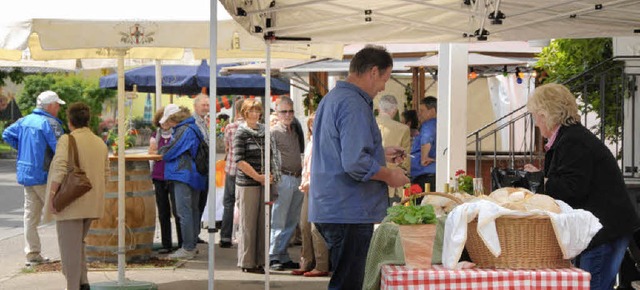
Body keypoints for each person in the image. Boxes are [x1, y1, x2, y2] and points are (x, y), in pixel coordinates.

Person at [309, 45, 410, 290]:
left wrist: (379, 153)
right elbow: (354, 163)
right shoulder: (353, 103)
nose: (383, 87)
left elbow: (340, 150)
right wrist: (390, 176)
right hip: (348, 209)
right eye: (385, 79)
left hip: (335, 206)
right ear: (373, 72)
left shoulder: (335, 98)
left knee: (346, 280)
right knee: (348, 284)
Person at [524, 83, 640, 289]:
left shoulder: (572, 141)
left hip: (603, 231)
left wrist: (541, 180)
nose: (535, 123)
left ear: (546, 114)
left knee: (591, 286)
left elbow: (572, 188)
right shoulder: (570, 137)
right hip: (602, 229)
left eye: (535, 116)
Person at [43, 102, 109, 290]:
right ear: (88, 119)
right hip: (92, 203)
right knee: (78, 245)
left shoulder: (67, 139)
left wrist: (53, 196)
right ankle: (83, 283)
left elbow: (60, 168)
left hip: (70, 202)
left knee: (69, 250)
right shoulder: (99, 141)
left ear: (69, 120)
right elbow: (106, 174)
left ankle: (73, 286)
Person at [2, 90, 65, 266]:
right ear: (51, 106)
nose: (59, 108)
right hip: (44, 175)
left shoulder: (25, 120)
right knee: (62, 213)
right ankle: (68, 252)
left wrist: (22, 148)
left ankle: (32, 254)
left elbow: (6, 134)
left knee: (30, 216)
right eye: (58, 104)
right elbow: (60, 150)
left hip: (26, 173)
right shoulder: (50, 123)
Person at [233, 99, 281, 274]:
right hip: (248, 184)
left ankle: (261, 260)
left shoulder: (265, 131)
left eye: (257, 111)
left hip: (265, 182)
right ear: (245, 113)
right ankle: (247, 261)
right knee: (248, 224)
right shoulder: (241, 133)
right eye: (250, 111)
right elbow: (239, 160)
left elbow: (272, 155)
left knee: (263, 223)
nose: (254, 114)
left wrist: (270, 175)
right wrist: (258, 176)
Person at [158, 104, 207, 259]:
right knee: (192, 211)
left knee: (184, 212)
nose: (168, 124)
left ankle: (187, 247)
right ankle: (191, 245)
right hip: (195, 175)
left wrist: (161, 151)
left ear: (175, 118)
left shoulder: (184, 130)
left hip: (183, 174)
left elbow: (169, 152)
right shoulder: (193, 127)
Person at [291, 113, 329, 277]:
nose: (313, 126)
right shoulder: (311, 141)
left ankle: (321, 265)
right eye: (311, 124)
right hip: (307, 187)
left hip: (319, 187)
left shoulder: (325, 142)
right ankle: (306, 262)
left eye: (316, 123)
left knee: (316, 227)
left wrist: (310, 182)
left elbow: (324, 167)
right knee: (304, 225)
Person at [269, 96, 304, 271]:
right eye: (284, 111)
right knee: (279, 220)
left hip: (297, 178)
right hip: (283, 178)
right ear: (277, 112)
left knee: (291, 220)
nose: (288, 114)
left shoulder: (295, 131)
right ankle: (273, 255)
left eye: (290, 111)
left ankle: (282, 254)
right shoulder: (274, 132)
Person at [149, 107, 182, 253]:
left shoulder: (177, 134)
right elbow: (152, 154)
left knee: (178, 211)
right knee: (163, 212)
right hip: (159, 176)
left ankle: (182, 243)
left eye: (168, 120)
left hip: (174, 176)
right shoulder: (155, 135)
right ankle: (166, 243)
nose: (165, 123)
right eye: (163, 121)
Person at [376, 94, 412, 204]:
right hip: (394, 184)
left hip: (371, 179)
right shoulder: (403, 129)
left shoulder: (368, 124)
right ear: (395, 111)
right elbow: (405, 160)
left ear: (378, 109)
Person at [220, 98, 244, 248]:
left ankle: (225, 237)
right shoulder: (254, 127)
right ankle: (244, 236)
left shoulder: (230, 127)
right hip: (247, 170)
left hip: (231, 169)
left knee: (228, 203)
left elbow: (227, 147)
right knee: (245, 204)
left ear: (236, 111)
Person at [192, 93, 210, 244]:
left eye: (208, 105)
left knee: (201, 201)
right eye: (203, 105)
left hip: (205, 168)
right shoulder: (193, 122)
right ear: (195, 106)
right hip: (197, 169)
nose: (206, 107)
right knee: (196, 202)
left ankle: (195, 233)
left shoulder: (204, 122)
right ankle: (192, 235)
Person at [410, 96, 437, 192]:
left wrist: (424, 157)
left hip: (425, 176)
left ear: (432, 111)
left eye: (422, 111)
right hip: (432, 175)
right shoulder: (441, 124)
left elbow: (427, 138)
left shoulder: (429, 124)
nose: (419, 114)